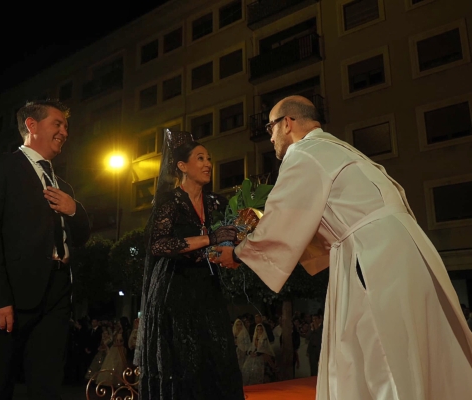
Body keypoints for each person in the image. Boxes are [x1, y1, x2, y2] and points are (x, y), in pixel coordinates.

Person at [216, 95, 472, 399]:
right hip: (405, 246)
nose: (270, 138)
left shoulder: (304, 152)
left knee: (380, 350)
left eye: (271, 128)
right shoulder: (339, 148)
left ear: (287, 123)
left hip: (373, 255)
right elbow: (321, 223)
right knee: (419, 341)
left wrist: (239, 252)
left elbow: (286, 216)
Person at [0, 99, 91, 400]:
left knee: (48, 387)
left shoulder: (64, 185)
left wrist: (74, 209)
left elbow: (81, 237)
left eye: (66, 126)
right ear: (31, 125)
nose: (65, 131)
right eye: (58, 124)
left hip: (57, 297)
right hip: (10, 299)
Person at [134, 130, 244, 399]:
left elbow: (226, 238)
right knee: (185, 361)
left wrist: (232, 252)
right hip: (175, 293)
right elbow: (157, 245)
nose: (208, 163)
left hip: (208, 290)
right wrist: (209, 238)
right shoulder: (169, 202)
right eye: (200, 158)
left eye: (209, 158)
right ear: (182, 166)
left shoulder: (216, 202)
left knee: (217, 356)